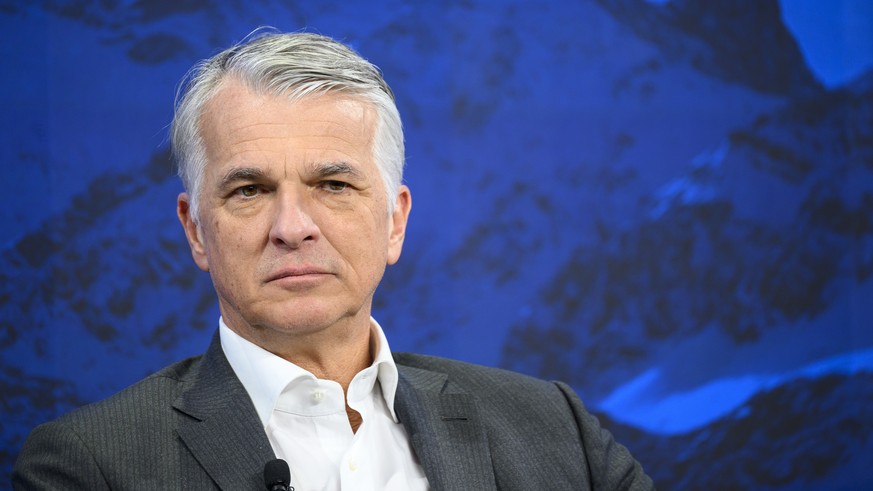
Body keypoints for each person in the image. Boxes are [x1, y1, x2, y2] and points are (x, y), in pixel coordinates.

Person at [12, 30, 655, 490]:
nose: (292, 228)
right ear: (196, 231)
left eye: (333, 186)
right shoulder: (86, 467)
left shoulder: (555, 431)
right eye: (249, 190)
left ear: (395, 221)